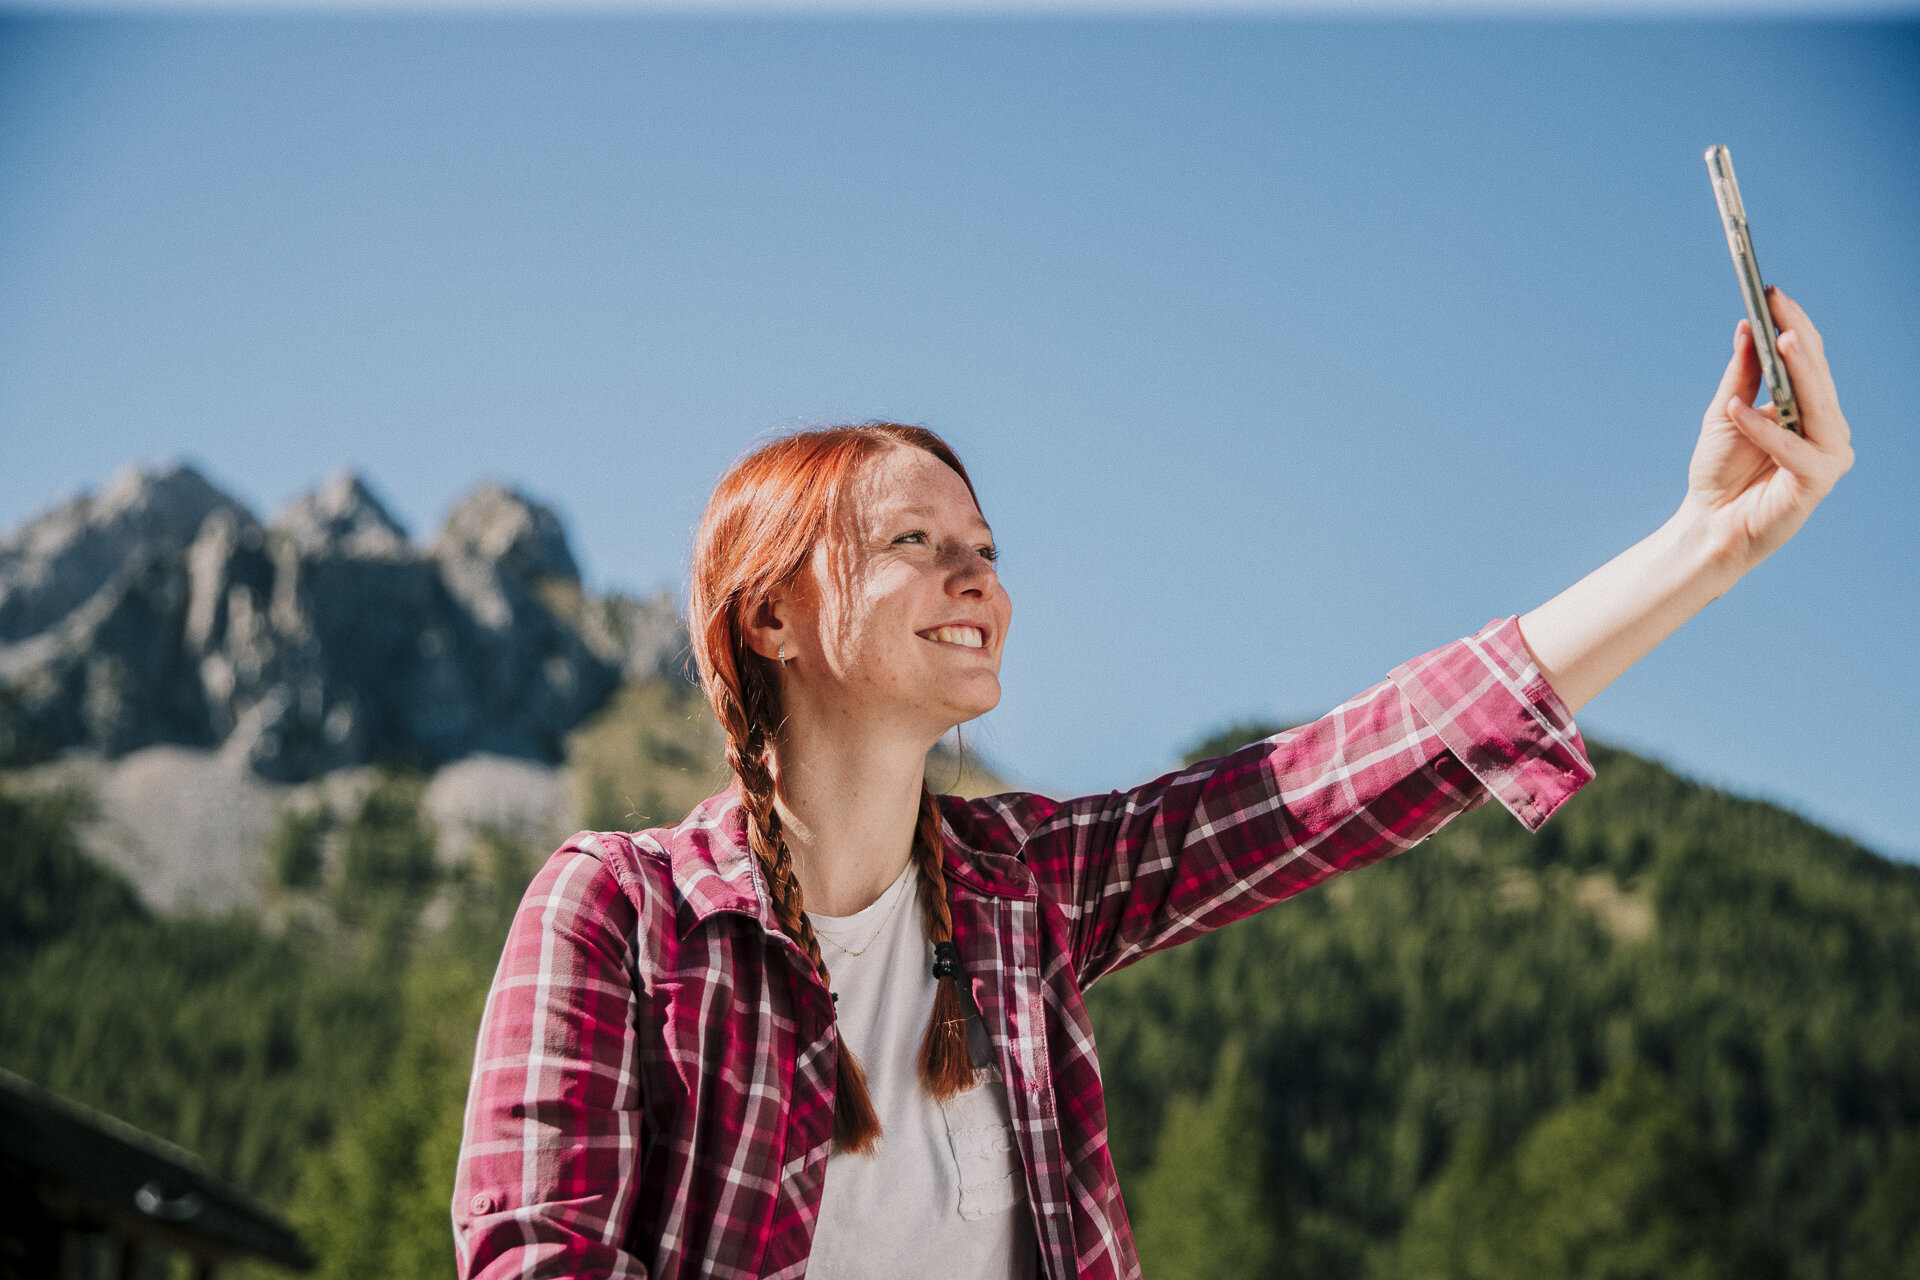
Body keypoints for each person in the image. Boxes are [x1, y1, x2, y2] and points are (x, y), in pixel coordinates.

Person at [451, 292, 1850, 1280]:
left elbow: (1351, 768)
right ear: (770, 620)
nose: (978, 578)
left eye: (987, 548)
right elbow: (534, 1262)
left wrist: (1707, 543)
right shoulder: (619, 915)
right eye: (915, 540)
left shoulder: (1026, 895)